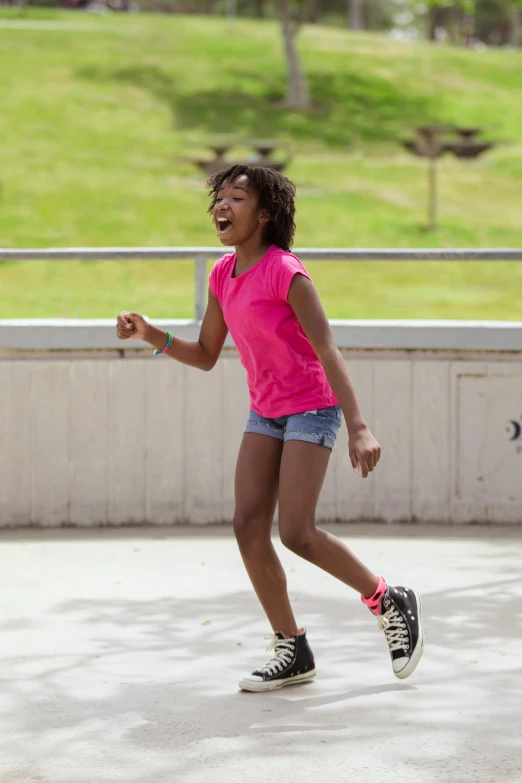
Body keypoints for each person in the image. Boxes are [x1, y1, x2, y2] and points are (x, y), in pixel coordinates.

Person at [116, 164, 424, 693]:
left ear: (263, 214)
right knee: (247, 524)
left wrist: (359, 427)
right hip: (266, 410)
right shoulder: (221, 275)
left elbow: (327, 346)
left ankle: (387, 600)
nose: (223, 205)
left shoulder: (287, 272)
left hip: (311, 405)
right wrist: (151, 334)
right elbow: (208, 354)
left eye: (237, 197)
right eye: (220, 196)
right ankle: (292, 646)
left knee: (297, 533)